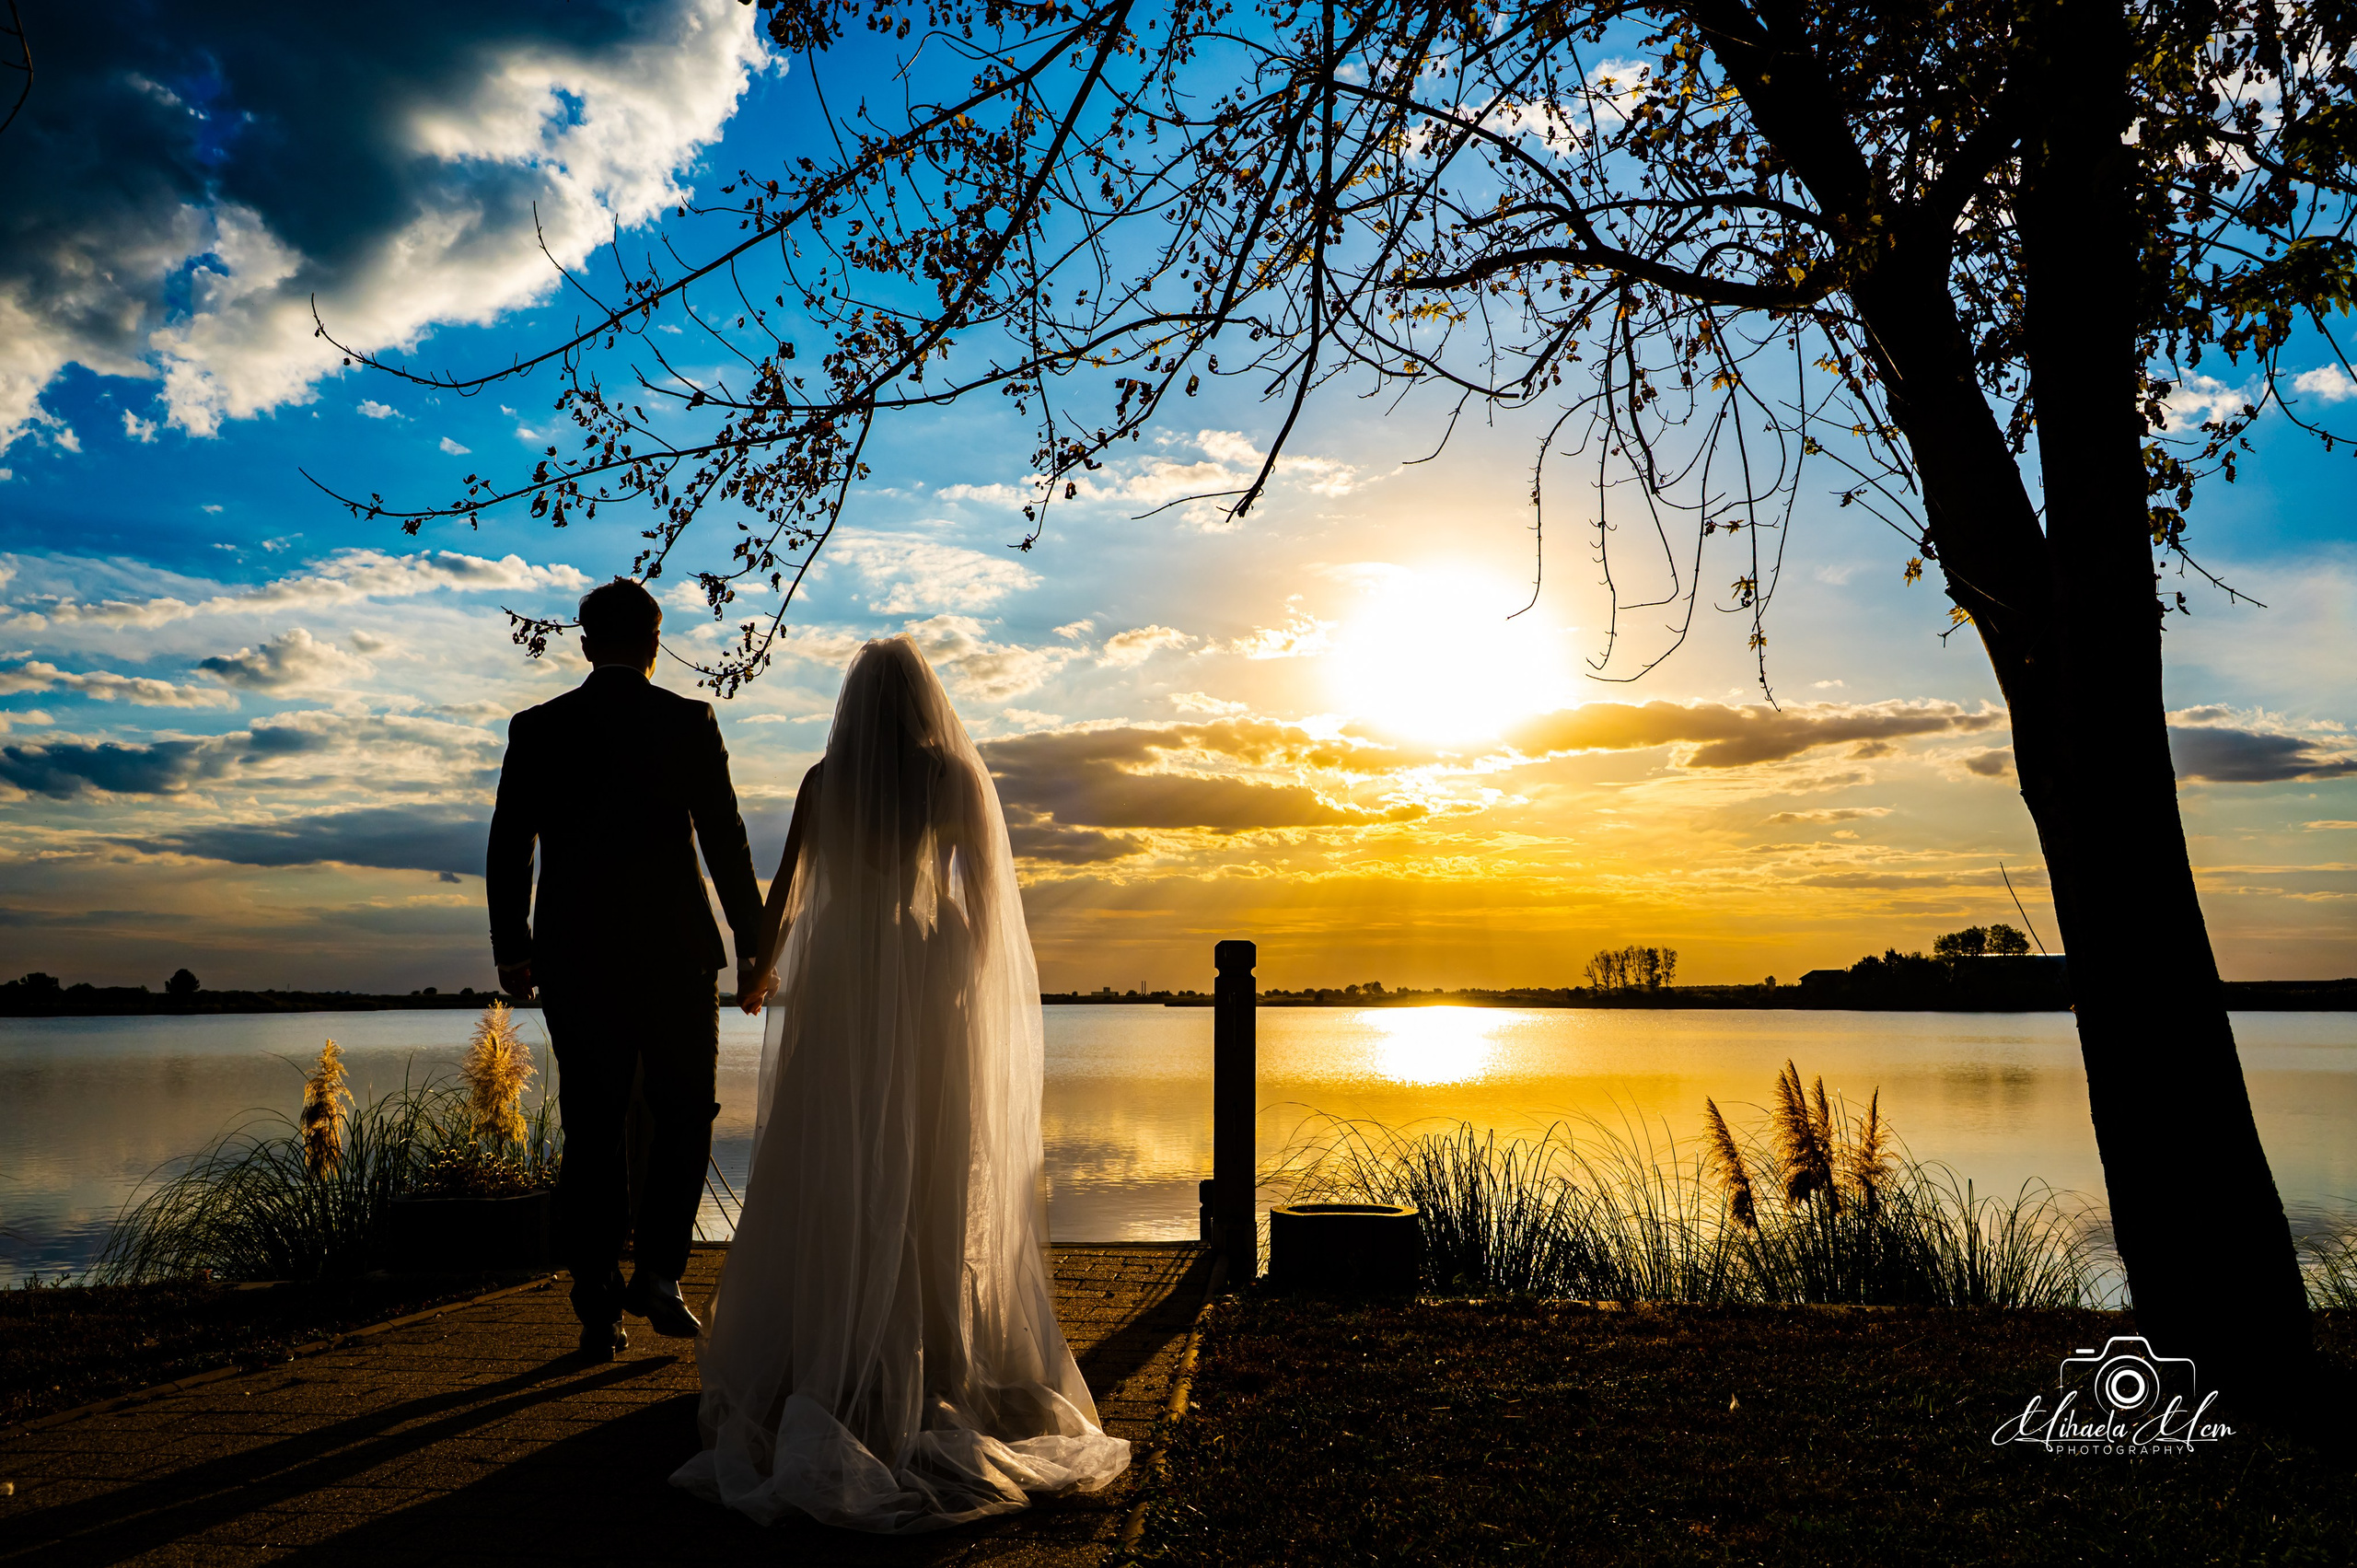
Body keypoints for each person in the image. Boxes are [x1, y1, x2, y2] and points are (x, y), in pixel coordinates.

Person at [672, 635, 1130, 1533]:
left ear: (855, 703)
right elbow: (987, 906)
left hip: (843, 978)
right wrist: (970, 971)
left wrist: (756, 974)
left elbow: (787, 896)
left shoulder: (822, 779)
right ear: (925, 702)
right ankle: (937, 1362)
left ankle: (829, 1355)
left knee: (829, 1157)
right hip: (928, 976)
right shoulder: (952, 781)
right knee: (931, 1158)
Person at [485, 577, 765, 1359]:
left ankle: (598, 1308)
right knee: (686, 1113)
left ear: (583, 643)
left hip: (576, 956)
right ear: (653, 642)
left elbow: (511, 843)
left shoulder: (539, 727)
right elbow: (726, 840)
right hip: (676, 955)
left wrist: (513, 943)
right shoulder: (687, 720)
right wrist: (754, 942)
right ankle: (661, 1275)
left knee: (593, 1127)